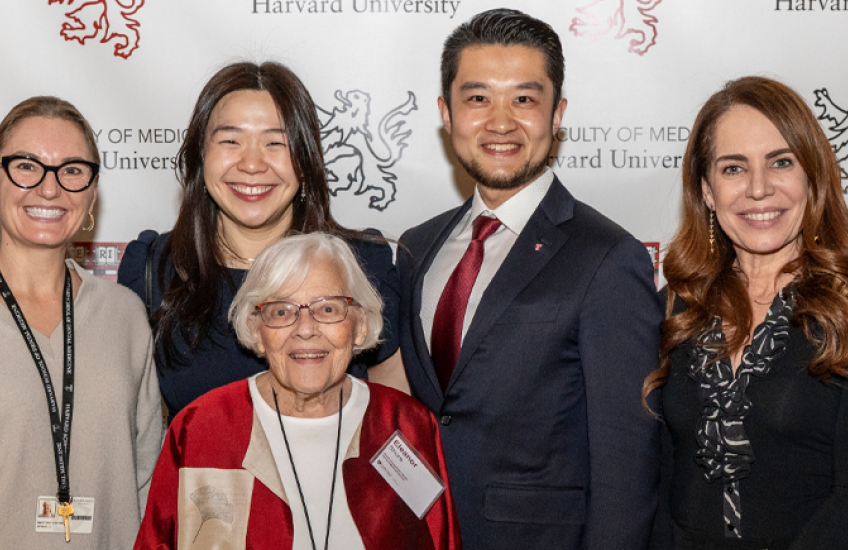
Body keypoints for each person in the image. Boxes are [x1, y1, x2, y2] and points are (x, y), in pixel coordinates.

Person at [395, 9, 662, 550]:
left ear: (557, 114)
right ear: (446, 113)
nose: (500, 121)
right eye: (477, 98)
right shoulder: (416, 248)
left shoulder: (608, 257)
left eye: (524, 98)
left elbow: (628, 462)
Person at [117, 61, 405, 424]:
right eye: (230, 141)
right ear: (200, 155)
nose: (252, 164)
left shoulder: (363, 265)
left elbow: (395, 422)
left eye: (275, 142)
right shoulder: (152, 269)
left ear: (306, 159)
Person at [135, 233, 461, 550]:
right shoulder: (201, 429)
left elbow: (439, 538)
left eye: (329, 308)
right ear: (256, 330)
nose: (305, 329)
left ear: (360, 324)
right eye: (281, 311)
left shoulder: (407, 427)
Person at [645, 76, 848, 549]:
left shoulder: (842, 309)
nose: (759, 189)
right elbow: (658, 476)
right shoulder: (677, 309)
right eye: (734, 168)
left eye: (781, 162)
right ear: (707, 191)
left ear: (812, 177)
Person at [0, 96, 163, 548]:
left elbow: (146, 478)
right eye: (27, 166)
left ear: (92, 193)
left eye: (72, 169)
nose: (50, 189)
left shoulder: (124, 315)